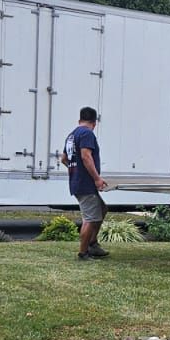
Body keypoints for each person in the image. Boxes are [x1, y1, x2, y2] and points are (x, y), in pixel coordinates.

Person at [62, 106, 109, 261]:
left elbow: (63, 159)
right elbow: (86, 156)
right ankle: (84, 252)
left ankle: (93, 243)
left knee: (101, 209)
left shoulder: (72, 135)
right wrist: (96, 178)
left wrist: (75, 169)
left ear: (80, 120)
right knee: (90, 218)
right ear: (94, 123)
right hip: (85, 183)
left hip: (77, 181)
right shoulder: (87, 133)